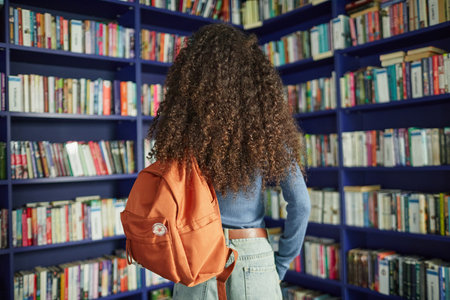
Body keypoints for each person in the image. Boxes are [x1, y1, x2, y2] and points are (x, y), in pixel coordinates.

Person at [147, 23, 311, 300]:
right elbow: (301, 204)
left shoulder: (183, 132)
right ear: (253, 78)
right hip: (253, 256)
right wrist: (280, 264)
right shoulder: (267, 131)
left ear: (192, 76)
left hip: (195, 254)